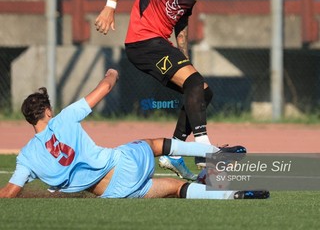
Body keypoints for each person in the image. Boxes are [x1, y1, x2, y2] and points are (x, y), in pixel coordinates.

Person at [94, 0, 245, 180]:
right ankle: (204, 151)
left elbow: (181, 18)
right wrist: (110, 7)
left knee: (201, 91)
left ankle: (174, 152)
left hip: (160, 45)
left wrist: (184, 58)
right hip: (142, 42)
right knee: (194, 84)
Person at [0, 68, 269, 200]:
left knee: (176, 189)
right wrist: (112, 73)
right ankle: (212, 152)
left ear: (28, 120)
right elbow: (103, 89)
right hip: (122, 163)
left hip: (114, 192)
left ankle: (230, 195)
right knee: (152, 144)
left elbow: (10, 193)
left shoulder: (27, 157)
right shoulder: (64, 118)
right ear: (47, 111)